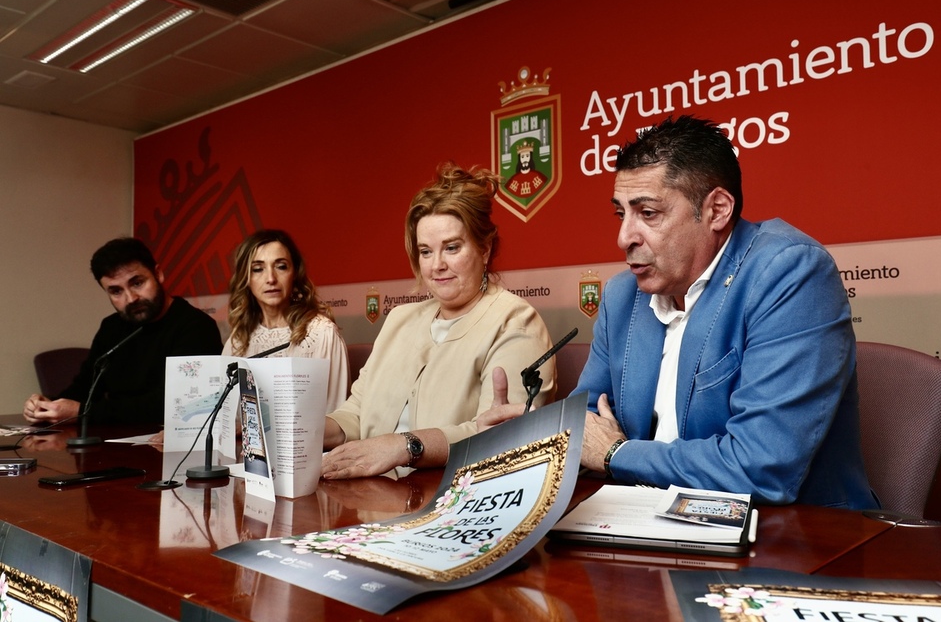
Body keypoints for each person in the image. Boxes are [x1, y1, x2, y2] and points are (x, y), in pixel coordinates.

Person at [483, 116, 875, 509]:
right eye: (622, 214)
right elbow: (589, 425)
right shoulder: (622, 295)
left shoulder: (789, 273)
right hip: (642, 526)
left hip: (795, 542)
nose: (624, 238)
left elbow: (761, 466)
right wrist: (545, 433)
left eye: (648, 213)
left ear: (717, 210)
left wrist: (617, 455)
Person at [321, 162, 556, 479]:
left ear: (484, 249)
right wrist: (297, 428)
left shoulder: (516, 321)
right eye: (425, 252)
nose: (436, 265)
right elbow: (355, 414)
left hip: (449, 503)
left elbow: (496, 436)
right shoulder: (400, 319)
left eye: (452, 248)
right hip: (367, 497)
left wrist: (405, 445)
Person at [23, 237, 223, 426]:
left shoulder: (196, 326)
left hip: (167, 445)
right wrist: (47, 405)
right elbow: (85, 388)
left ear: (158, 274)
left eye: (137, 283)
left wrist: (83, 411)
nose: (131, 298)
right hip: (110, 443)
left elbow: (172, 406)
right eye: (116, 291)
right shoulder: (111, 327)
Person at [224, 229, 349, 412]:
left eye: (281, 266)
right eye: (258, 269)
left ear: (295, 273)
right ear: (246, 279)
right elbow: (224, 417)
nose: (271, 279)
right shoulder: (238, 340)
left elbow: (337, 417)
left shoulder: (323, 333)